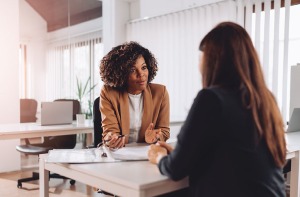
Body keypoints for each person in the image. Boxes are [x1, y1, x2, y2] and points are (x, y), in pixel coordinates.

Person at [148, 22, 286, 197]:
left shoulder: (211, 99)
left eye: (201, 56)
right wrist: (180, 153)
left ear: (213, 59)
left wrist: (159, 157)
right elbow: (232, 156)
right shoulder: (266, 99)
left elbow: (175, 169)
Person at [99, 41, 170, 149]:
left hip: (146, 155)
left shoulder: (160, 93)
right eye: (132, 70)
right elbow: (110, 131)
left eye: (143, 67)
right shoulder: (108, 93)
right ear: (121, 74)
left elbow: (164, 132)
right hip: (119, 154)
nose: (141, 74)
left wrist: (156, 137)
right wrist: (112, 138)